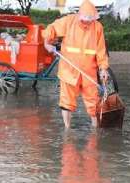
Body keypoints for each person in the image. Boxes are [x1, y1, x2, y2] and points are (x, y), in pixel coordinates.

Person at [43, 0, 109, 129]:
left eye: (90, 19)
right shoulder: (68, 21)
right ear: (80, 15)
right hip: (69, 71)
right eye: (85, 19)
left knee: (93, 103)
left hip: (88, 72)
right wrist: (47, 43)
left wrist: (103, 69)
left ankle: (95, 129)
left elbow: (101, 51)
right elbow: (51, 29)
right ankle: (67, 129)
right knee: (66, 102)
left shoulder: (97, 28)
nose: (87, 22)